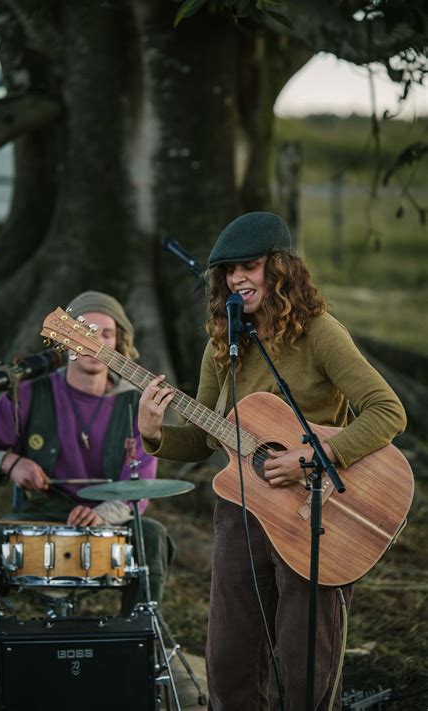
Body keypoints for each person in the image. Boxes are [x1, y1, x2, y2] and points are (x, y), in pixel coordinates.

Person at [138, 212, 407, 711]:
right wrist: (154, 436)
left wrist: (315, 454)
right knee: (229, 662)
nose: (238, 278)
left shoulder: (320, 333)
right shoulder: (223, 343)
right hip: (241, 509)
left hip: (315, 514)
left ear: (280, 269)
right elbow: (202, 440)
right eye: (228, 271)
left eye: (250, 266)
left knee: (306, 663)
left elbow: (388, 411)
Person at [0, 290, 174, 614]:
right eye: (84, 331)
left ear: (119, 343)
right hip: (42, 515)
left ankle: (142, 643)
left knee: (152, 536)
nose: (94, 342)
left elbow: (140, 488)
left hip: (107, 518)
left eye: (106, 334)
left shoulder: (134, 404)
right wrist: (9, 463)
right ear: (65, 338)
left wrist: (101, 515)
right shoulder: (30, 394)